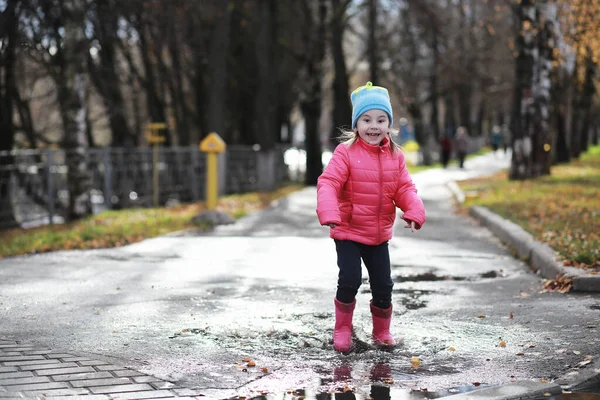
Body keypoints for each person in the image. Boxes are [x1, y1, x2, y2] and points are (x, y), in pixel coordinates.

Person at [316, 81, 426, 352]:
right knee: (350, 279)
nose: (373, 126)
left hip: (378, 235)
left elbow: (403, 187)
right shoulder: (345, 153)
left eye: (380, 119)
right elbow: (328, 182)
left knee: (383, 284)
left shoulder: (395, 155)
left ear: (389, 124)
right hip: (348, 230)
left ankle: (382, 331)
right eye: (366, 119)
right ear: (356, 125)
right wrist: (329, 210)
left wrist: (413, 210)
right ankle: (342, 328)